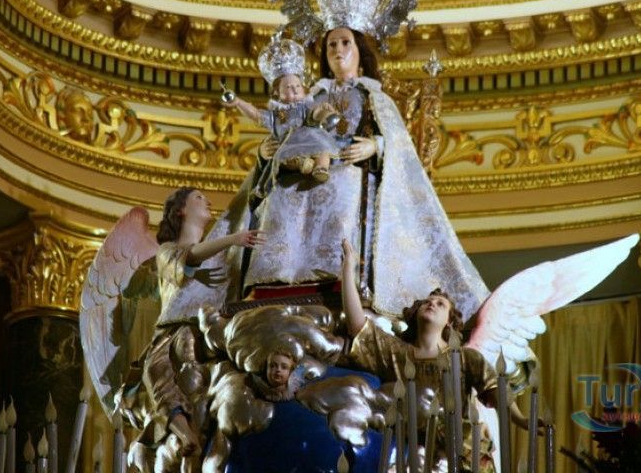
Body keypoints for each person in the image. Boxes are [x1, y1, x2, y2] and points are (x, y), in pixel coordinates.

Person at [240, 26, 490, 321]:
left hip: (350, 168)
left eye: (345, 43)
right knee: (280, 193)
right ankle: (273, 278)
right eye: (331, 44)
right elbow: (285, 129)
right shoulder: (311, 95)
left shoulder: (373, 96)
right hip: (303, 166)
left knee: (343, 184)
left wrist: (375, 146)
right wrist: (265, 152)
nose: (338, 50)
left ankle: (337, 276)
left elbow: (401, 146)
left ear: (359, 51)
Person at [339, 238, 498, 471]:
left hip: (458, 454)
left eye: (440, 304)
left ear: (449, 322)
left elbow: (497, 393)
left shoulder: (464, 358)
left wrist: (522, 420)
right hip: (410, 456)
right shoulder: (397, 353)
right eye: (427, 302)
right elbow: (357, 326)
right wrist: (348, 268)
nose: (432, 304)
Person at [139, 187, 265, 456]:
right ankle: (186, 435)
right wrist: (233, 239)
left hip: (212, 327)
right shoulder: (166, 251)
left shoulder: (221, 254)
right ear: (180, 211)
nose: (207, 201)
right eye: (198, 197)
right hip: (173, 329)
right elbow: (190, 258)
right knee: (156, 372)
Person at [227, 38, 341, 187]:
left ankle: (320, 168)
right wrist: (238, 102)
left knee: (323, 150)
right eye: (288, 87)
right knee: (285, 159)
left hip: (312, 139)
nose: (294, 90)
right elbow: (256, 115)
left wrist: (322, 110)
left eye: (297, 86)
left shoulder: (306, 106)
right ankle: (303, 164)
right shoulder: (276, 115)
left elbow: (314, 117)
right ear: (277, 92)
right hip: (289, 144)